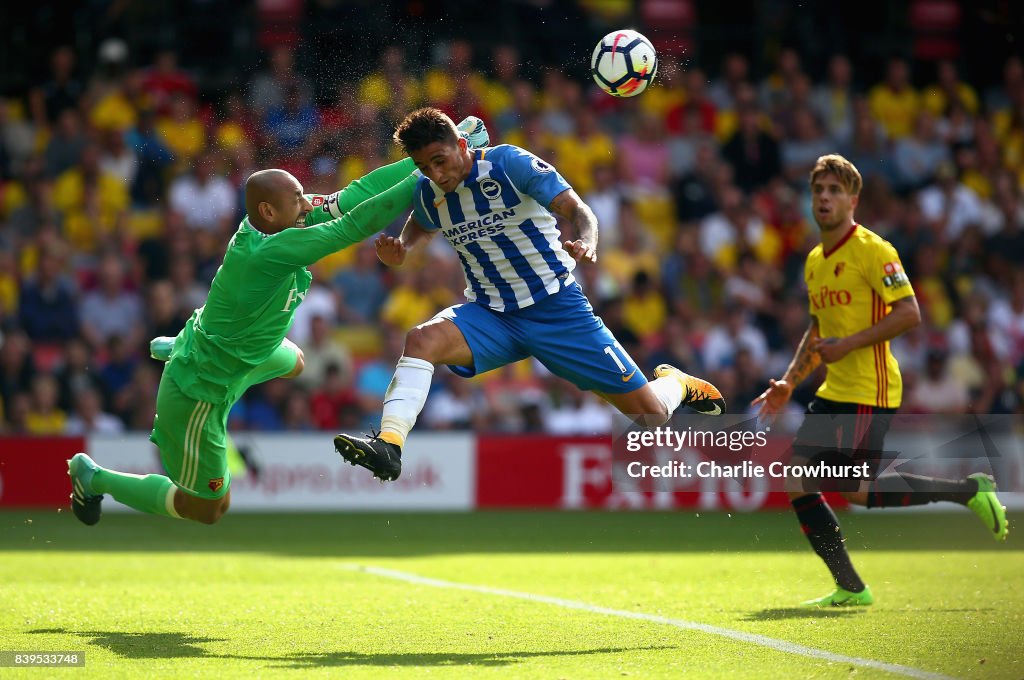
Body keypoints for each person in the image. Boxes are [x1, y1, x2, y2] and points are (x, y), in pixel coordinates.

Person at [66, 116, 488, 526]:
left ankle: (183, 343)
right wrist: (432, 176)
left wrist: (428, 155)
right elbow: (357, 224)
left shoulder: (274, 222)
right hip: (203, 388)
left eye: (304, 196)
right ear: (269, 211)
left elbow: (355, 194)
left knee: (298, 362)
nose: (309, 204)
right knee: (208, 508)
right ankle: (95, 477)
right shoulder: (271, 250)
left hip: (245, 351)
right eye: (299, 200)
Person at [334, 108, 726, 482]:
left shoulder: (509, 164)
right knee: (420, 339)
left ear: (461, 144)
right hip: (492, 314)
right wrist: (402, 247)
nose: (437, 173)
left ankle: (677, 383)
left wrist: (587, 241)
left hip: (556, 309)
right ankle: (389, 446)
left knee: (652, 415)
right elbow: (421, 223)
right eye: (424, 167)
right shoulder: (429, 191)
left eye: (440, 160)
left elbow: (580, 210)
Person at [752, 154, 1008, 608]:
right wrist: (790, 382)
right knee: (800, 481)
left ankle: (969, 491)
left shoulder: (874, 250)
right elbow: (817, 329)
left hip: (871, 388)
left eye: (834, 191)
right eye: (818, 191)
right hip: (834, 390)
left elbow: (910, 314)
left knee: (858, 491)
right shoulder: (814, 261)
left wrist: (850, 343)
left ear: (853, 199)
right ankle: (851, 587)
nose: (824, 198)